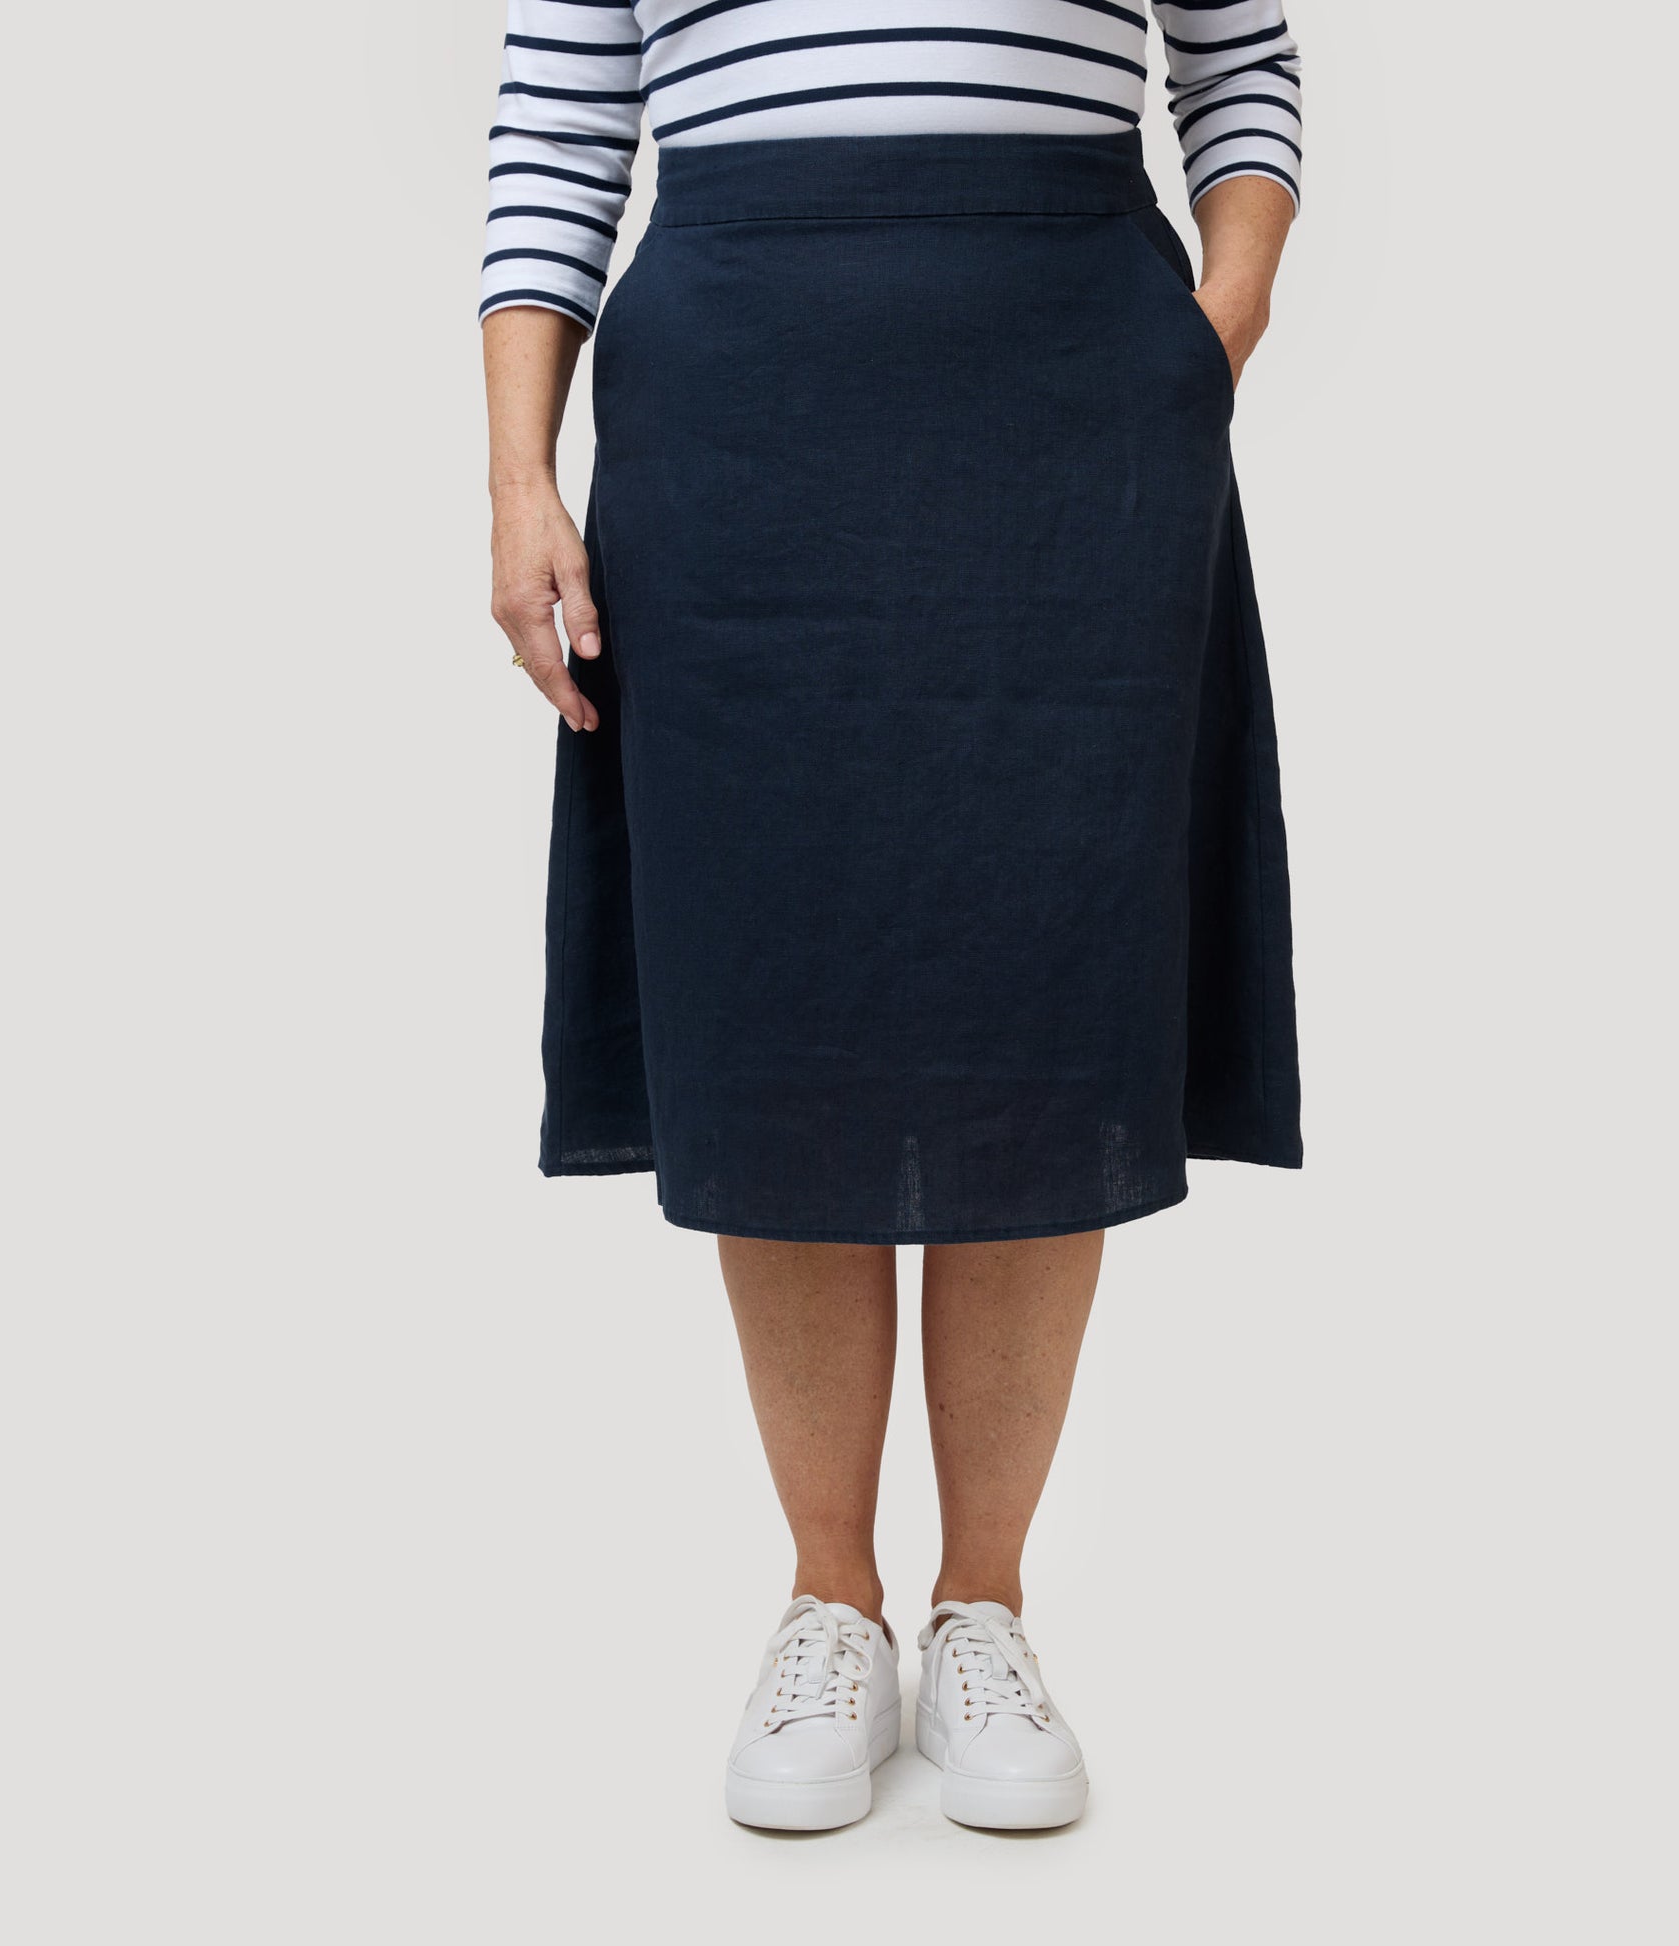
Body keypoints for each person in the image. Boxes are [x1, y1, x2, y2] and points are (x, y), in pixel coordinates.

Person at [482, 0, 1304, 1832]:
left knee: (1045, 984)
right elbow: (559, 123)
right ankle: (829, 1604)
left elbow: (1239, 60)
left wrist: (1214, 328)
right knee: (772, 990)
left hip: (1071, 396)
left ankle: (983, 1605)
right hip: (734, 409)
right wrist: (517, 477)